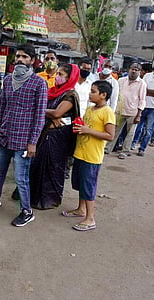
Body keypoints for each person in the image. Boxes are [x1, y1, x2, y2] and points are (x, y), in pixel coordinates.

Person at [0, 43, 47, 227]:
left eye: (25, 57)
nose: (20, 59)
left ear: (32, 61)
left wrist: (33, 142)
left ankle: (27, 211)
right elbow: (1, 106)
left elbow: (39, 116)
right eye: (18, 56)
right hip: (4, 136)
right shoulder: (8, 79)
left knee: (21, 177)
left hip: (24, 141)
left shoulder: (39, 83)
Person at [63, 80, 115, 231]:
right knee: (80, 184)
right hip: (81, 153)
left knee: (88, 187)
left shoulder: (107, 112)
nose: (90, 94)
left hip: (92, 157)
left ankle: (90, 218)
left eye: (93, 91)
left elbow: (110, 135)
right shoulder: (91, 109)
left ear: (103, 95)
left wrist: (87, 131)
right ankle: (81, 209)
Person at [30, 63, 80, 210]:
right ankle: (35, 197)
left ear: (70, 78)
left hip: (58, 137)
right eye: (57, 74)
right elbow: (49, 109)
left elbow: (58, 113)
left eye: (61, 75)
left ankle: (49, 199)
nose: (57, 77)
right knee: (39, 164)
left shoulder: (70, 95)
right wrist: (47, 112)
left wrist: (41, 109)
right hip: (46, 133)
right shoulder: (54, 91)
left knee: (53, 166)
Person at [106, 63, 146, 159]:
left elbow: (142, 100)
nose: (134, 71)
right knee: (115, 130)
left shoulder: (142, 83)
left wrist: (139, 114)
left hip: (133, 112)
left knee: (130, 133)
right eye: (132, 68)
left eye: (136, 69)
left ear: (139, 72)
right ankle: (108, 148)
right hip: (119, 110)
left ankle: (125, 151)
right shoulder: (121, 80)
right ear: (129, 69)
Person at [131, 57, 154, 157]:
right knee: (137, 127)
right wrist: (149, 92)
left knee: (149, 129)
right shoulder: (147, 75)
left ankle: (142, 148)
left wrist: (147, 91)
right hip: (142, 105)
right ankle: (133, 143)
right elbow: (141, 89)